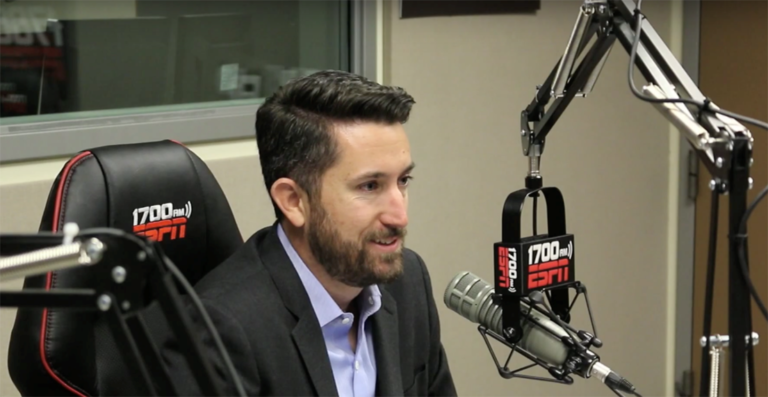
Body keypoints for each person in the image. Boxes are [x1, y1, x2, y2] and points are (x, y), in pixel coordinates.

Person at [161, 70, 458, 396]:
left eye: (402, 181)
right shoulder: (221, 332)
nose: (399, 215)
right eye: (369, 186)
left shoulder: (407, 281)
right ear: (294, 201)